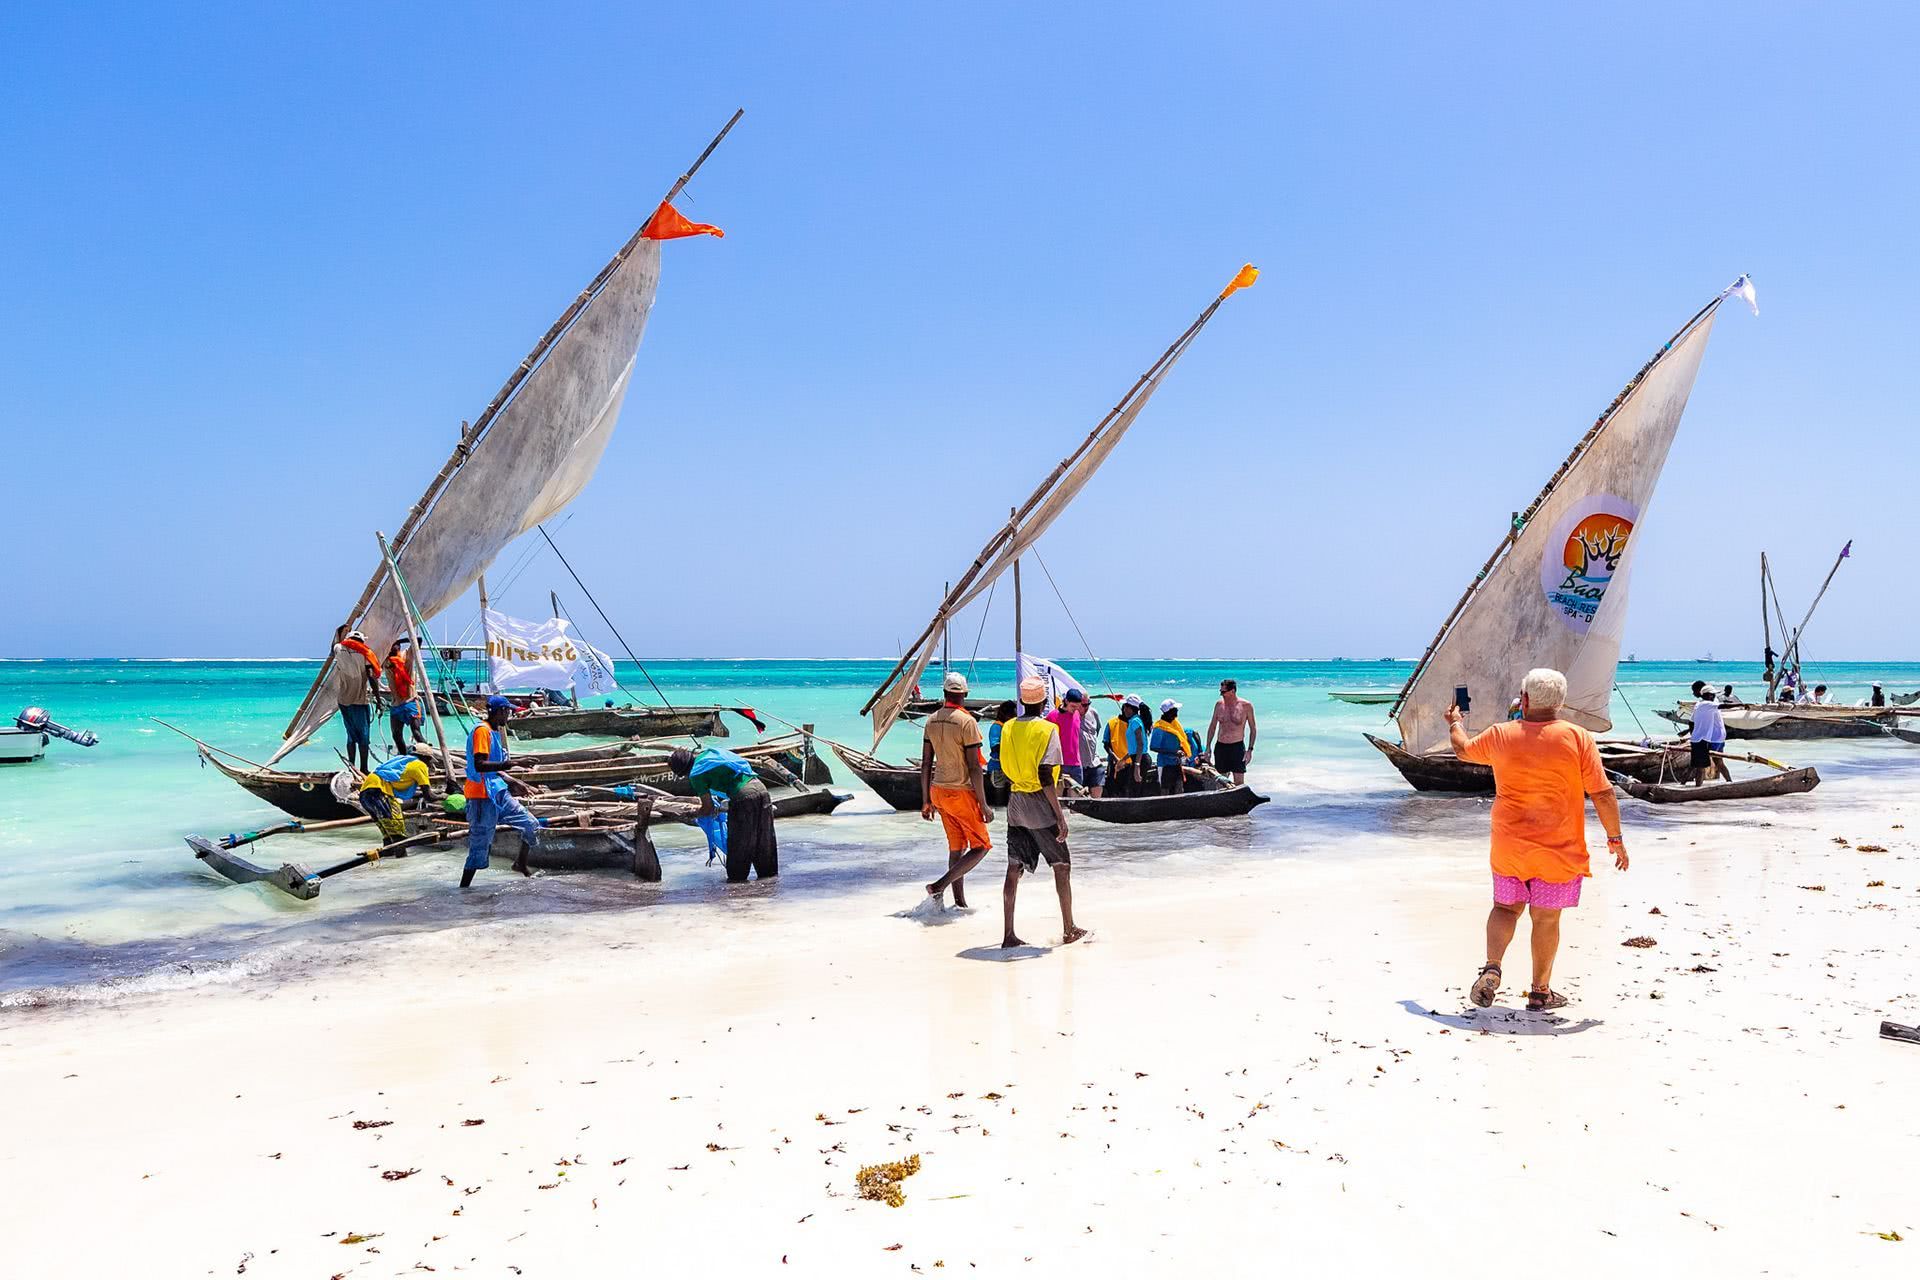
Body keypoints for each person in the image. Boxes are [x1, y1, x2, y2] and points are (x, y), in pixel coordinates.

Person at [1449, 668, 1628, 1013]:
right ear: (1560, 703)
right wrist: (1615, 839)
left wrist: (1455, 722)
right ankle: (1540, 992)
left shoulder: (1501, 734)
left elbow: (1463, 750)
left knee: (1505, 909)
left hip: (1510, 846)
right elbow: (1603, 794)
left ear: (1525, 699)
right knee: (1546, 919)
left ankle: (1492, 968)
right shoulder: (1578, 738)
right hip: (1558, 850)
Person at [999, 676, 1084, 948]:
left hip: (1015, 801)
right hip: (1038, 802)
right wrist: (1059, 815)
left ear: (1022, 701)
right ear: (1044, 701)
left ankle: (1008, 935)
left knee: (1014, 867)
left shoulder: (1008, 727)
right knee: (1061, 864)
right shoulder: (1048, 729)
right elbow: (1045, 774)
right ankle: (1069, 929)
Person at [920, 671, 993, 908]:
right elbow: (974, 766)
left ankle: (959, 903)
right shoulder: (967, 722)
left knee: (957, 848)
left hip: (938, 791)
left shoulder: (931, 720)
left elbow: (926, 763)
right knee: (981, 846)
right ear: (965, 694)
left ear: (944, 693)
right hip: (960, 792)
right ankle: (939, 886)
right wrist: (984, 804)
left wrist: (925, 800)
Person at [461, 695, 541, 887]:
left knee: (531, 824)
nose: (509, 715)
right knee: (479, 849)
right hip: (481, 796)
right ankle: (463, 890)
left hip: (498, 792)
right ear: (500, 711)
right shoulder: (482, 731)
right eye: (508, 711)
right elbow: (480, 765)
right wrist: (514, 763)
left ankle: (520, 863)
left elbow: (495, 769)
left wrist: (513, 781)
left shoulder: (495, 732)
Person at [670, 745, 776, 882]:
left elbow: (707, 808)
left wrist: (693, 813)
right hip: (761, 788)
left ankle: (737, 885)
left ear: (683, 770)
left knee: (739, 844)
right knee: (764, 839)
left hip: (743, 795)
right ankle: (770, 883)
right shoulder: (708, 755)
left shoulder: (696, 774)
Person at [357, 744, 437, 843]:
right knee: (398, 835)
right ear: (425, 757)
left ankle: (389, 852)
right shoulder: (420, 765)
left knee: (388, 835)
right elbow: (428, 796)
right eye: (429, 760)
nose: (429, 764)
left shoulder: (402, 760)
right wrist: (444, 796)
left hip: (365, 793)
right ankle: (400, 851)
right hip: (379, 792)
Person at [331, 626, 381, 773]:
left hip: (343, 700)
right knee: (364, 737)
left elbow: (334, 645)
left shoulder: (339, 649)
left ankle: (351, 767)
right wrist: (378, 699)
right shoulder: (365, 653)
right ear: (361, 641)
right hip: (360, 700)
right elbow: (371, 676)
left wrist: (338, 632)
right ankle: (364, 769)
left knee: (351, 735)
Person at [1205, 679, 1257, 785]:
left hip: (1237, 747)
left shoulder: (1246, 706)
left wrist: (1250, 750)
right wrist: (1208, 747)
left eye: (1223, 692)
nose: (1221, 694)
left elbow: (1253, 728)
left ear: (1232, 691)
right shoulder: (1219, 705)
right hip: (1221, 747)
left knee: (1239, 782)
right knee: (1221, 781)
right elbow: (1212, 726)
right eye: (1220, 692)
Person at [385, 637, 428, 755]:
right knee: (396, 735)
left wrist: (400, 640)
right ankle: (404, 757)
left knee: (416, 733)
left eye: (394, 645)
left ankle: (428, 757)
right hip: (396, 704)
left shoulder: (406, 656)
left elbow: (418, 640)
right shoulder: (386, 661)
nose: (392, 647)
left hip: (410, 702)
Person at [1046, 688, 1091, 792]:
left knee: (1077, 796)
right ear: (1066, 701)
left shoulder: (1077, 714)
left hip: (1076, 762)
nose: (1075, 709)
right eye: (1073, 706)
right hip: (1059, 763)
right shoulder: (1052, 716)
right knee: (1058, 796)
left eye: (1077, 707)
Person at [1149, 699, 1190, 795]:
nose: (1177, 711)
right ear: (1169, 712)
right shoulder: (1159, 728)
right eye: (1175, 709)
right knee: (1165, 790)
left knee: (1179, 788)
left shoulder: (1174, 724)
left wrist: (1182, 750)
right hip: (1165, 764)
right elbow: (1153, 747)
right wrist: (1174, 752)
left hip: (1176, 762)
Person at [1688, 689, 1727, 786]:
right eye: (1712, 694)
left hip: (1706, 738)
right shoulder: (1710, 703)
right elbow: (1724, 706)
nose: (1714, 696)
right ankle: (1698, 787)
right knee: (1712, 764)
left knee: (1698, 765)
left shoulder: (1700, 704)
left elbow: (1691, 722)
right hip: (1714, 738)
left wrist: (1692, 734)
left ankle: (1692, 785)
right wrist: (1742, 705)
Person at [1076, 697, 1107, 798]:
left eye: (1088, 704)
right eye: (1084, 705)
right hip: (1078, 764)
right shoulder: (1070, 716)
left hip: (1094, 761)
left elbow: (1097, 730)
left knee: (1097, 790)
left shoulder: (1093, 713)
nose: (1086, 707)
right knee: (1075, 795)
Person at [984, 700, 1017, 794]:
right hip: (998, 767)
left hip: (1010, 767)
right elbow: (995, 747)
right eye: (1014, 713)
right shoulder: (997, 727)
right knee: (1000, 794)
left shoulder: (1010, 726)